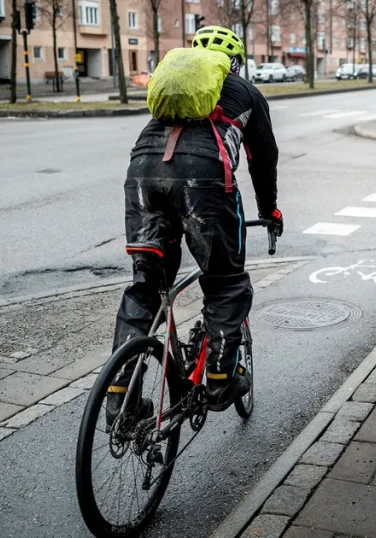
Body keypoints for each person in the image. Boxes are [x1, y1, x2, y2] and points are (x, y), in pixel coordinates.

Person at [108, 25, 282, 421]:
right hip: (204, 179)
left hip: (142, 174)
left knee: (146, 286)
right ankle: (220, 379)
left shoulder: (177, 87)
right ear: (236, 63)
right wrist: (270, 210)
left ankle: (120, 398)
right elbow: (263, 159)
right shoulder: (247, 92)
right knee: (225, 282)